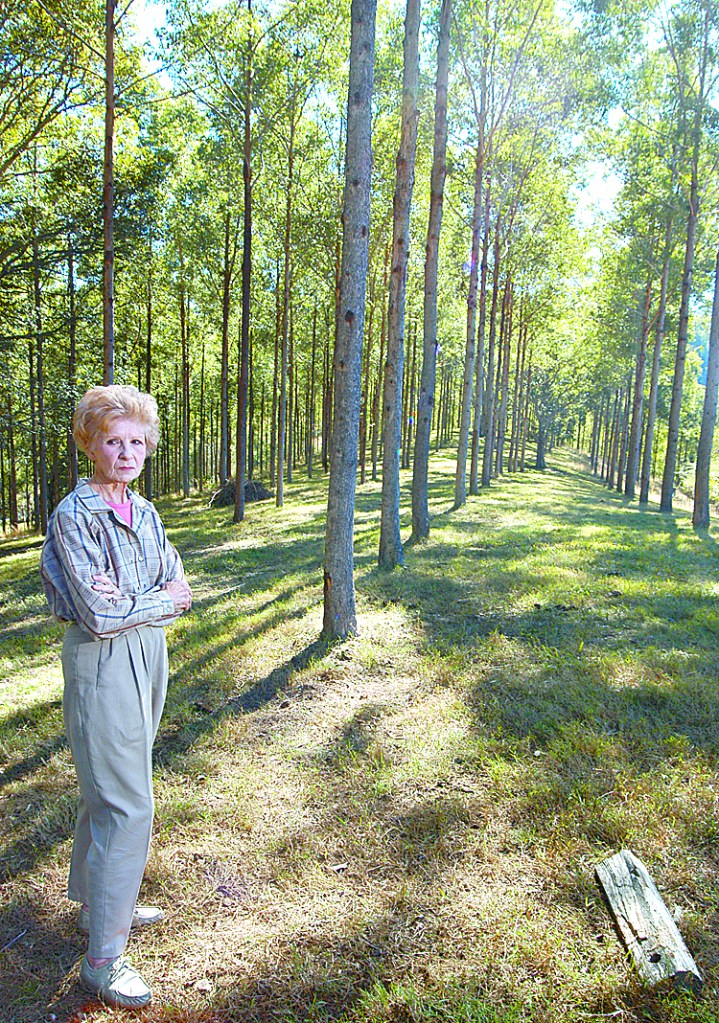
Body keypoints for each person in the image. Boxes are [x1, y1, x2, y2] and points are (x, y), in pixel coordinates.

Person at [40, 384, 193, 1009]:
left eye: (136, 441)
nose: (125, 452)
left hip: (150, 654)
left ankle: (99, 904)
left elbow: (178, 578)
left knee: (108, 789)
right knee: (128, 805)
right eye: (112, 440)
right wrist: (155, 600)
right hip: (101, 664)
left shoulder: (147, 513)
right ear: (90, 444)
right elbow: (100, 614)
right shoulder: (74, 516)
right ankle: (103, 958)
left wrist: (141, 600)